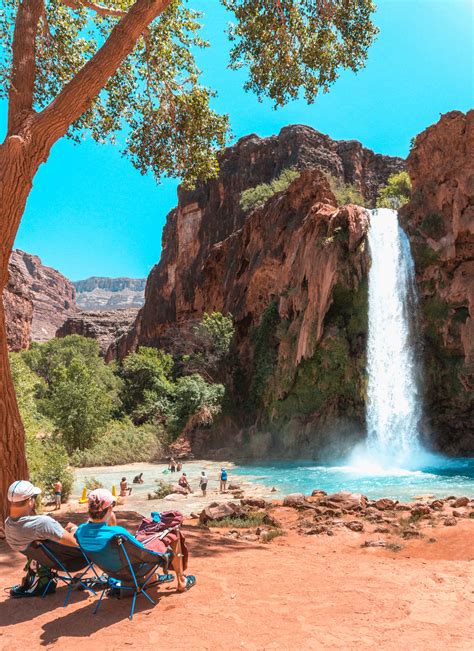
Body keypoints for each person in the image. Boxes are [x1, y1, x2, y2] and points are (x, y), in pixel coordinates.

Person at [75, 489, 195, 592]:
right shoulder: (117, 533)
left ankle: (153, 579)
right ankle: (182, 581)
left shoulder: (80, 531)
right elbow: (142, 551)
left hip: (111, 572)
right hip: (134, 570)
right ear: (110, 508)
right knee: (173, 534)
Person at [4, 480, 78, 597]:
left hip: (47, 558)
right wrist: (74, 529)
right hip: (72, 561)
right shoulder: (43, 523)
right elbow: (75, 544)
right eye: (34, 497)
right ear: (29, 500)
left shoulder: (8, 525)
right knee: (75, 529)